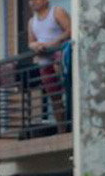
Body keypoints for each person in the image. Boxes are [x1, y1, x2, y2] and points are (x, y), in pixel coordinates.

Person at [28, 0, 71, 131]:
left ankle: (71, 125)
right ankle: (62, 130)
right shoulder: (31, 21)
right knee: (54, 97)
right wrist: (36, 46)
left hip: (59, 57)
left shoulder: (56, 12)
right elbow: (31, 42)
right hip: (44, 63)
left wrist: (53, 43)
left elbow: (71, 30)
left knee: (67, 90)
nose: (32, 2)